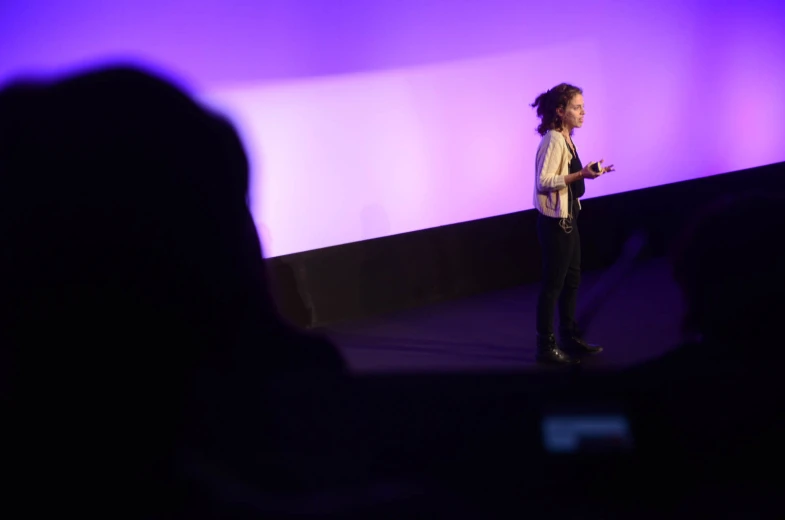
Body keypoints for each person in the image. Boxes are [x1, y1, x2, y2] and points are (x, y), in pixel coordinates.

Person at [530, 83, 614, 364]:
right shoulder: (553, 139)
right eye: (577, 107)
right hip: (556, 224)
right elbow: (544, 182)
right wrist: (581, 175)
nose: (583, 112)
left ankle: (569, 336)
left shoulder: (566, 137)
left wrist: (589, 172)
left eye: (582, 107)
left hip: (570, 218)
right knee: (553, 284)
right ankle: (546, 346)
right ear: (560, 111)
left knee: (572, 281)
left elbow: (569, 175)